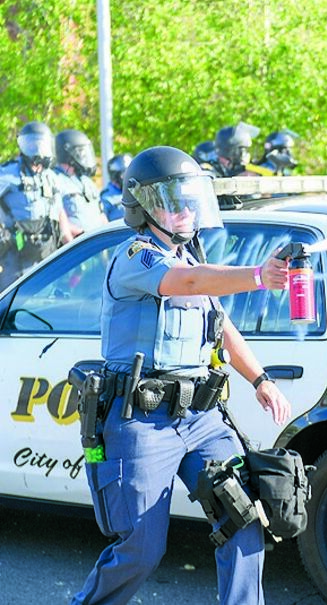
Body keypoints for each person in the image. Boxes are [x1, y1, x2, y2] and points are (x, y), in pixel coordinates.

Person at [71, 146, 292, 605]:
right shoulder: (137, 256)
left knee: (245, 517)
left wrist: (261, 380)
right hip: (141, 420)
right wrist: (257, 274)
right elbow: (186, 285)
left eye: (190, 199)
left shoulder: (193, 258)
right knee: (141, 550)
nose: (186, 210)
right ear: (145, 206)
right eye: (174, 200)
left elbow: (223, 328)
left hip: (203, 418)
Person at [0, 121, 75, 290]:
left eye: (41, 143)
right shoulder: (6, 174)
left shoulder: (52, 178)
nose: (38, 149)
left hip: (46, 256)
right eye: (32, 144)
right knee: (10, 306)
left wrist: (70, 245)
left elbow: (59, 211)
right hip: (14, 257)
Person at [54, 129, 106, 235]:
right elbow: (57, 220)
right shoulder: (55, 180)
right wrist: (81, 236)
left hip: (99, 245)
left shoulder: (87, 181)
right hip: (78, 246)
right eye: (81, 152)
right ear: (68, 153)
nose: (84, 156)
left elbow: (101, 215)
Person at [100, 153, 133, 222]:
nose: (129, 176)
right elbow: (102, 222)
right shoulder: (105, 197)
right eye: (125, 174)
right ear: (116, 176)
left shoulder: (135, 189)